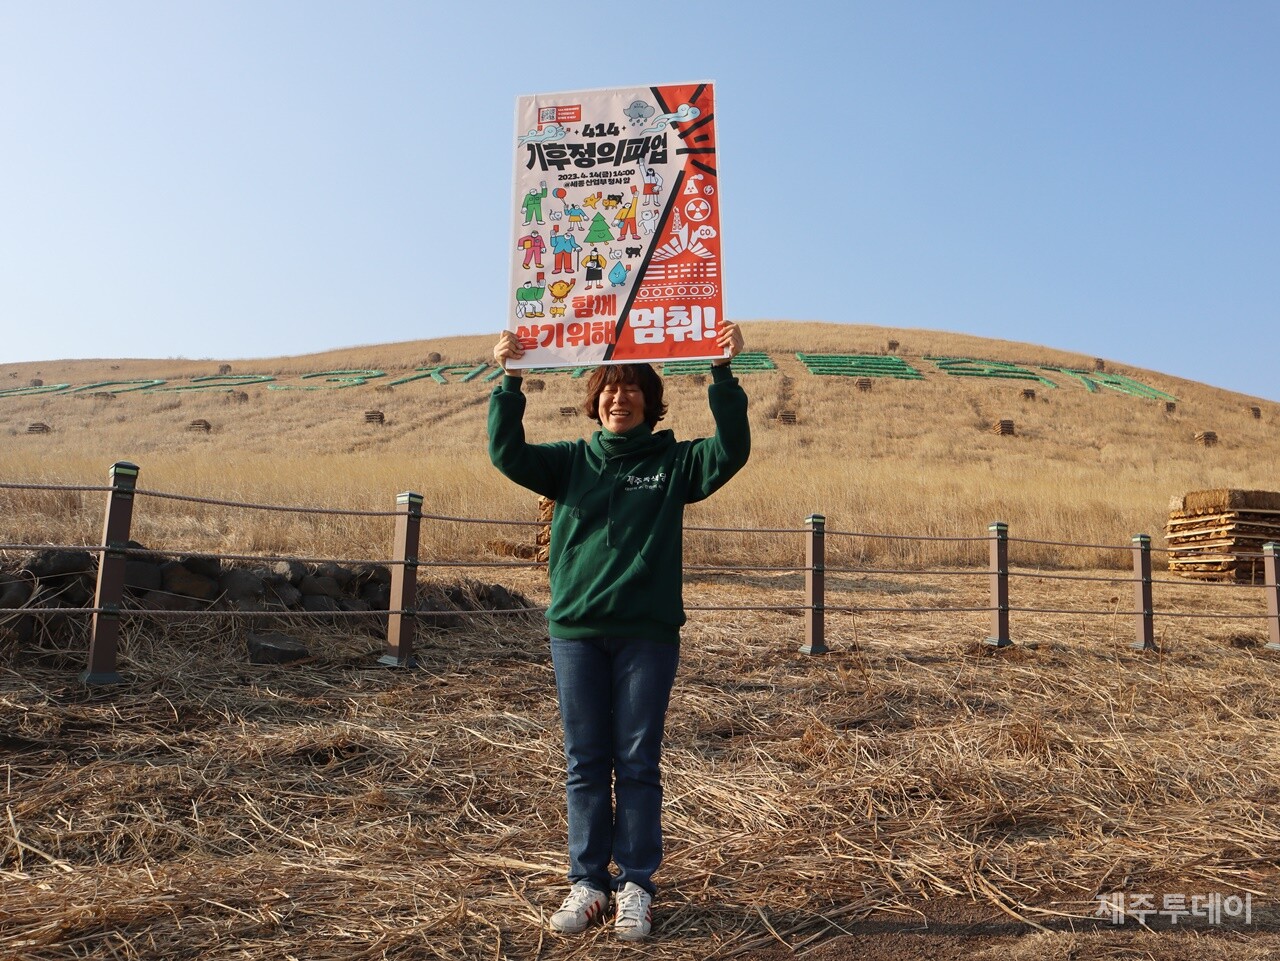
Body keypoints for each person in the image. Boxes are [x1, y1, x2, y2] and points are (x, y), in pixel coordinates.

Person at [488, 324, 750, 941]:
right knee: (584, 761)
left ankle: (636, 884)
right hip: (575, 633)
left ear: (651, 403)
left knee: (637, 762)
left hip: (647, 635)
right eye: (609, 389)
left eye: (632, 389)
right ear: (595, 401)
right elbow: (507, 454)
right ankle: (587, 883)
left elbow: (731, 450)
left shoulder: (675, 463)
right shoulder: (571, 462)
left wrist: (722, 371)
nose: (620, 398)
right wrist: (510, 380)